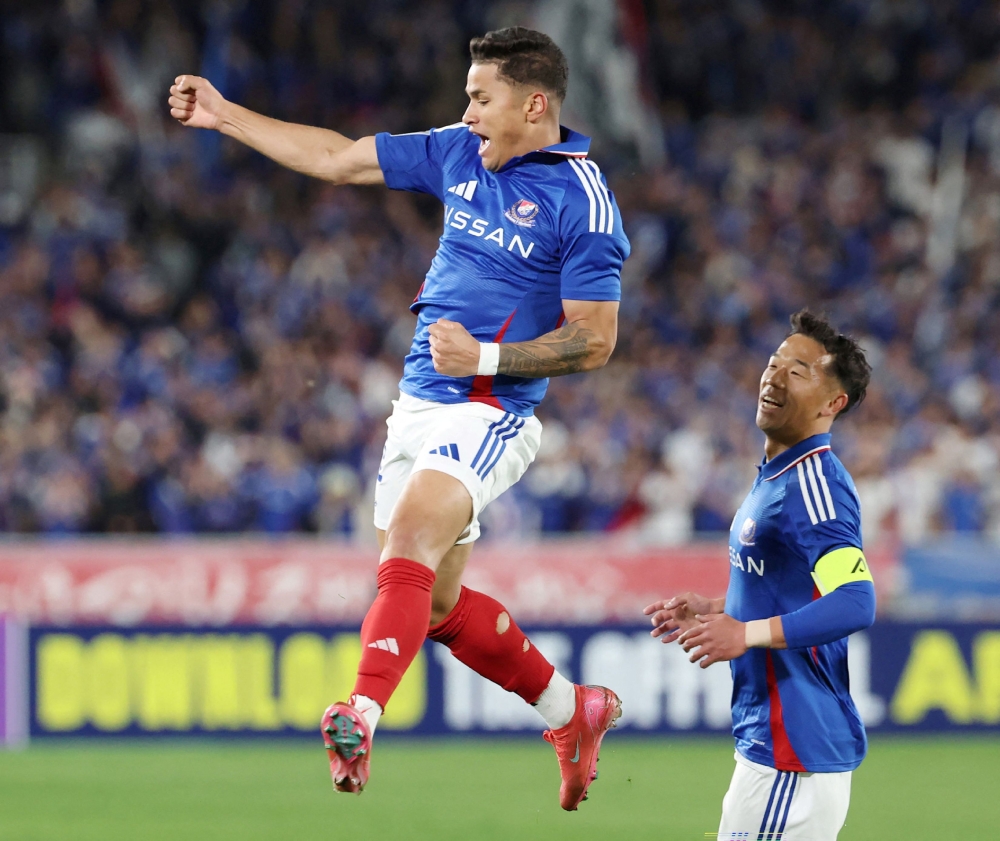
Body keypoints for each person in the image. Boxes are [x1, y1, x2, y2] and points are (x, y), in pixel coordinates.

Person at [168, 27, 629, 810]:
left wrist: (483, 359)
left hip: (491, 409)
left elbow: (595, 341)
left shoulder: (581, 201)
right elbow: (338, 158)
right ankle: (570, 710)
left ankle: (360, 711)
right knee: (438, 603)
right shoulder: (456, 150)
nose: (469, 110)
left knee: (411, 538)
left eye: (482, 98)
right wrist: (226, 115)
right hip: (418, 401)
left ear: (535, 104)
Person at [644, 311, 875, 841]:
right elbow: (791, 586)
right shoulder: (778, 475)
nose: (774, 375)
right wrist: (718, 608)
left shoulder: (816, 483)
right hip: (775, 744)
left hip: (793, 749)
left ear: (832, 403)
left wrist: (743, 634)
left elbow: (856, 602)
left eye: (797, 371)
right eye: (774, 363)